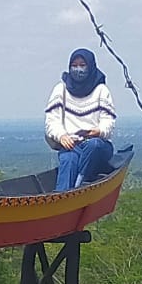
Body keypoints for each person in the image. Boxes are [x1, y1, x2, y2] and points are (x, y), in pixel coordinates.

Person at [44, 48, 117, 191]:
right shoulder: (61, 90)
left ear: (90, 66)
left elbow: (108, 121)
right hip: (72, 144)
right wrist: (61, 136)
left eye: (82, 65)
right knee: (68, 159)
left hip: (97, 145)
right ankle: (60, 199)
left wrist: (98, 131)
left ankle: (79, 186)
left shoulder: (101, 90)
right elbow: (52, 120)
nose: (78, 69)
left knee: (93, 146)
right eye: (74, 65)